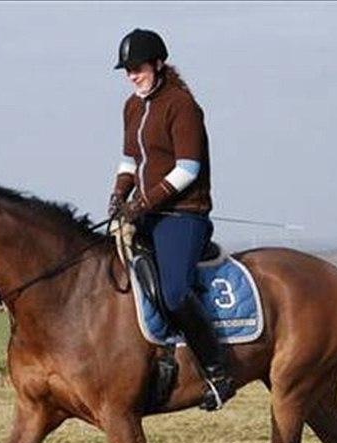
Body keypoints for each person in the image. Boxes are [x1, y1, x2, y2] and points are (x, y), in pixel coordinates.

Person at [107, 28, 235, 412]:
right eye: (127, 70)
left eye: (138, 68)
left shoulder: (181, 105)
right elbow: (130, 161)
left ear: (158, 65)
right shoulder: (132, 107)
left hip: (183, 216)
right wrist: (118, 194)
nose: (133, 76)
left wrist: (142, 202)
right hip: (146, 214)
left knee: (175, 291)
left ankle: (217, 371)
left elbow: (188, 168)